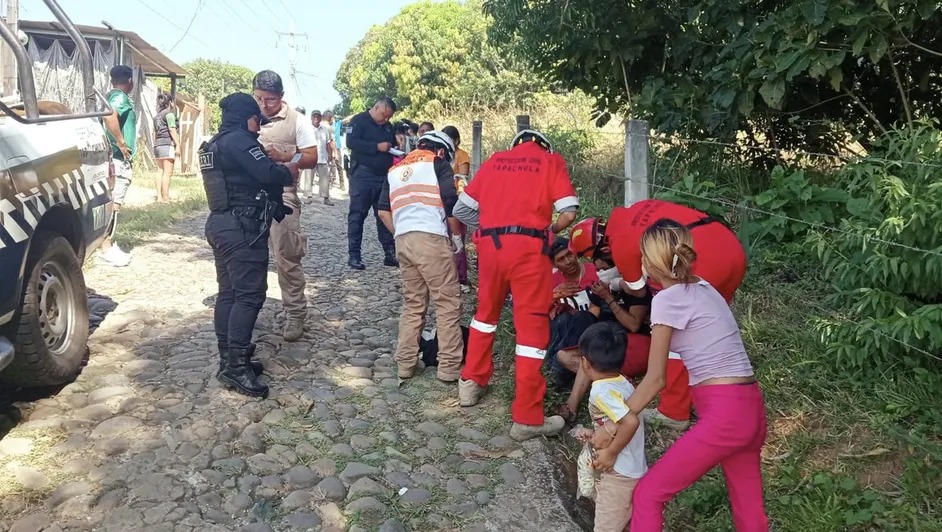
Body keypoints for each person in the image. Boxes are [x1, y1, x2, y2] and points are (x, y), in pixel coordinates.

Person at [592, 219, 768, 531]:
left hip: (724, 413)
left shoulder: (667, 299)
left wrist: (612, 424)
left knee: (648, 495)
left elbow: (655, 379)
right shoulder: (705, 288)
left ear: (648, 261)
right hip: (751, 408)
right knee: (748, 510)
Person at [568, 199, 747, 429]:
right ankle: (710, 388)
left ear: (601, 250)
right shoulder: (637, 210)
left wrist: (614, 283)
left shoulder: (620, 243)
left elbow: (637, 289)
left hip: (703, 260)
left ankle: (674, 411)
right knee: (708, 327)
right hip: (730, 248)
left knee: (675, 336)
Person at [452, 129, 579, 441]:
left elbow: (461, 210)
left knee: (484, 317)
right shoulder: (550, 162)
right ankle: (527, 417)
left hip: (491, 247)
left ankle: (470, 384)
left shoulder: (495, 160)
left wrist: (492, 225)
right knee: (532, 331)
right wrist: (550, 229)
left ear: (515, 145)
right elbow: (569, 211)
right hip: (530, 251)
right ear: (543, 146)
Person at [200, 92, 299, 399]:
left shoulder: (214, 144)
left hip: (221, 224)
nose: (259, 127)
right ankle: (237, 365)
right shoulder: (239, 141)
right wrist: (288, 170)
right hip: (242, 228)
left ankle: (229, 358)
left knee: (229, 293)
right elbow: (267, 173)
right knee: (249, 295)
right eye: (257, 120)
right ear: (247, 118)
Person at [377, 131, 464, 382]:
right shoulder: (437, 164)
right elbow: (450, 204)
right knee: (447, 303)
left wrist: (400, 233)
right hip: (432, 238)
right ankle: (449, 368)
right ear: (442, 151)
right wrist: (456, 237)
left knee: (413, 304)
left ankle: (405, 364)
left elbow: (383, 212)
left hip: (404, 241)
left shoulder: (394, 171)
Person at [253, 70, 318, 342]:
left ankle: (295, 313)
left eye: (270, 99)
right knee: (248, 257)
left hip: (283, 195)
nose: (264, 105)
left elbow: (312, 157)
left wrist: (285, 155)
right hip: (249, 195)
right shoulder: (249, 115)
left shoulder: (297, 121)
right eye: (258, 98)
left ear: (280, 96)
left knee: (286, 256)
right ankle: (247, 310)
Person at [575, 321, 647, 532]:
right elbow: (618, 422)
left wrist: (611, 453)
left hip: (618, 474)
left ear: (585, 362)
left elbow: (630, 422)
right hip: (631, 467)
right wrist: (594, 433)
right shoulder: (622, 382)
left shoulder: (601, 392)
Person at [345, 96, 399, 270]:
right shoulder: (359, 120)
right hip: (363, 175)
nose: (386, 119)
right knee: (357, 215)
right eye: (384, 115)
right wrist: (376, 147)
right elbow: (351, 142)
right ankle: (354, 255)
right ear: (376, 108)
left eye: (389, 117)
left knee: (384, 214)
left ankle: (390, 253)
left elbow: (391, 145)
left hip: (383, 177)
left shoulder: (389, 127)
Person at [99, 64, 136, 267]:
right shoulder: (120, 98)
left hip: (111, 157)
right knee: (114, 204)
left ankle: (106, 244)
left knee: (110, 202)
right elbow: (109, 114)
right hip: (118, 159)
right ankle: (107, 247)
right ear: (130, 81)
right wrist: (121, 142)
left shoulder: (109, 95)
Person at [442, 126, 471, 285]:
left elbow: (462, 179)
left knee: (457, 237)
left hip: (456, 201)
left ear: (456, 140)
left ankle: (461, 276)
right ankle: (446, 274)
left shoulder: (462, 155)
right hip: (442, 201)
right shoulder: (440, 156)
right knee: (444, 239)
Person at [153, 92, 180, 203]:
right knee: (168, 172)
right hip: (167, 144)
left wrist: (155, 144)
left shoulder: (156, 117)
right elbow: (172, 129)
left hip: (158, 145)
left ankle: (159, 197)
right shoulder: (169, 114)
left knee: (160, 171)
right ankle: (166, 198)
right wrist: (178, 145)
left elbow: (154, 133)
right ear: (170, 102)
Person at [309, 110, 335, 206]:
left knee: (324, 179)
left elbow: (328, 143)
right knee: (309, 178)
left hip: (322, 157)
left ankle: (326, 198)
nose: (316, 118)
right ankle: (308, 197)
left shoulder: (325, 129)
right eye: (314, 116)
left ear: (321, 118)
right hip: (310, 157)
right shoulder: (307, 129)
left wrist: (330, 154)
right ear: (311, 118)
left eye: (318, 116)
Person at [324, 110, 345, 191]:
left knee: (339, 165)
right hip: (329, 147)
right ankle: (330, 182)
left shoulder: (337, 123)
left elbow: (345, 120)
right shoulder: (326, 126)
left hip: (337, 147)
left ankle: (342, 182)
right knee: (331, 165)